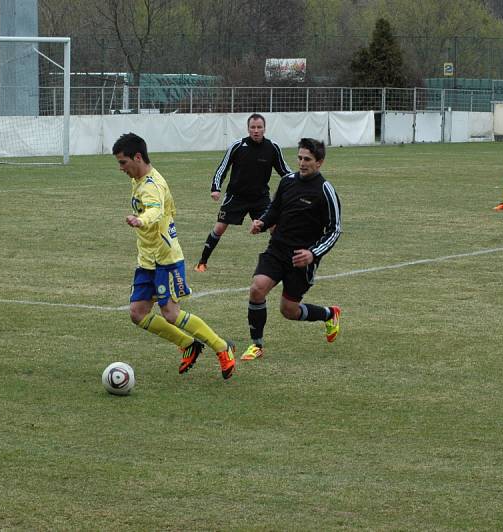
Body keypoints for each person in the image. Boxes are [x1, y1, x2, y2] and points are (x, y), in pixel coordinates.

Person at [113, 132, 236, 379]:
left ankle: (222, 348)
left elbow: (156, 211)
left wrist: (140, 219)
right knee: (138, 313)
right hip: (147, 259)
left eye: (123, 162)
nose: (121, 168)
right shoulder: (139, 179)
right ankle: (189, 344)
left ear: (137, 157)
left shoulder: (152, 186)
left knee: (170, 313)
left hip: (165, 259)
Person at [240, 138, 342, 361]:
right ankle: (256, 345)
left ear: (319, 162)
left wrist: (312, 253)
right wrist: (262, 223)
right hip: (277, 250)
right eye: (299, 158)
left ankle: (329, 314)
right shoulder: (287, 181)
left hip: (301, 259)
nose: (302, 163)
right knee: (257, 289)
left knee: (289, 311)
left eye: (308, 159)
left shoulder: (325, 190)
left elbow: (334, 230)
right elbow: (274, 210)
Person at [194, 113, 292, 272]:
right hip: (236, 197)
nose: (256, 130)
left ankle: (283, 261)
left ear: (264, 128)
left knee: (275, 227)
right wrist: (215, 188)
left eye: (259, 127)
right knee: (219, 228)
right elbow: (222, 168)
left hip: (260, 198)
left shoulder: (272, 148)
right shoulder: (238, 146)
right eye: (253, 127)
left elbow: (285, 171)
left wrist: (297, 183)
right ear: (248, 129)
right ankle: (202, 262)